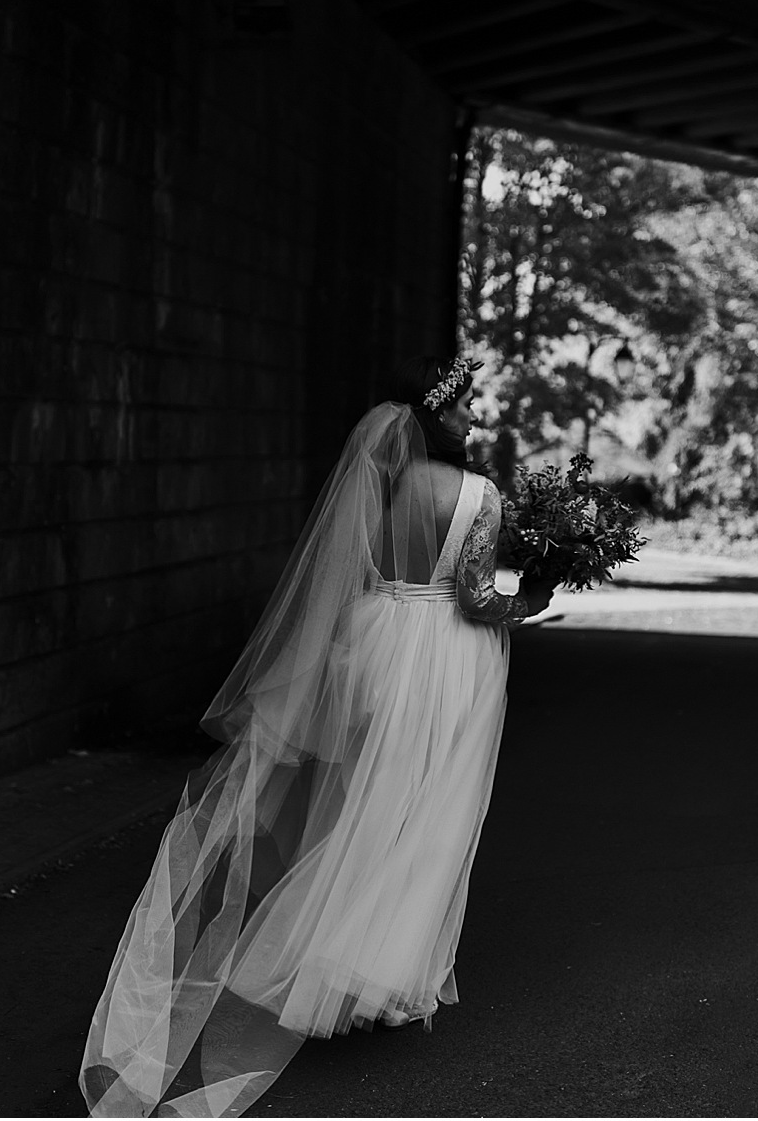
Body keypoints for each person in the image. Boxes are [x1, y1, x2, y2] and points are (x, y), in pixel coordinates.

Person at [79, 355, 553, 1118]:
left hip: (375, 646)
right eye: (463, 409)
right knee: (426, 813)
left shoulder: (383, 484)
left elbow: (356, 573)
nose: (473, 419)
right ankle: (386, 977)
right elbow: (471, 595)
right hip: (444, 657)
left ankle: (333, 957)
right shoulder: (479, 496)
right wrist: (529, 598)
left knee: (361, 805)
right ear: (437, 419)